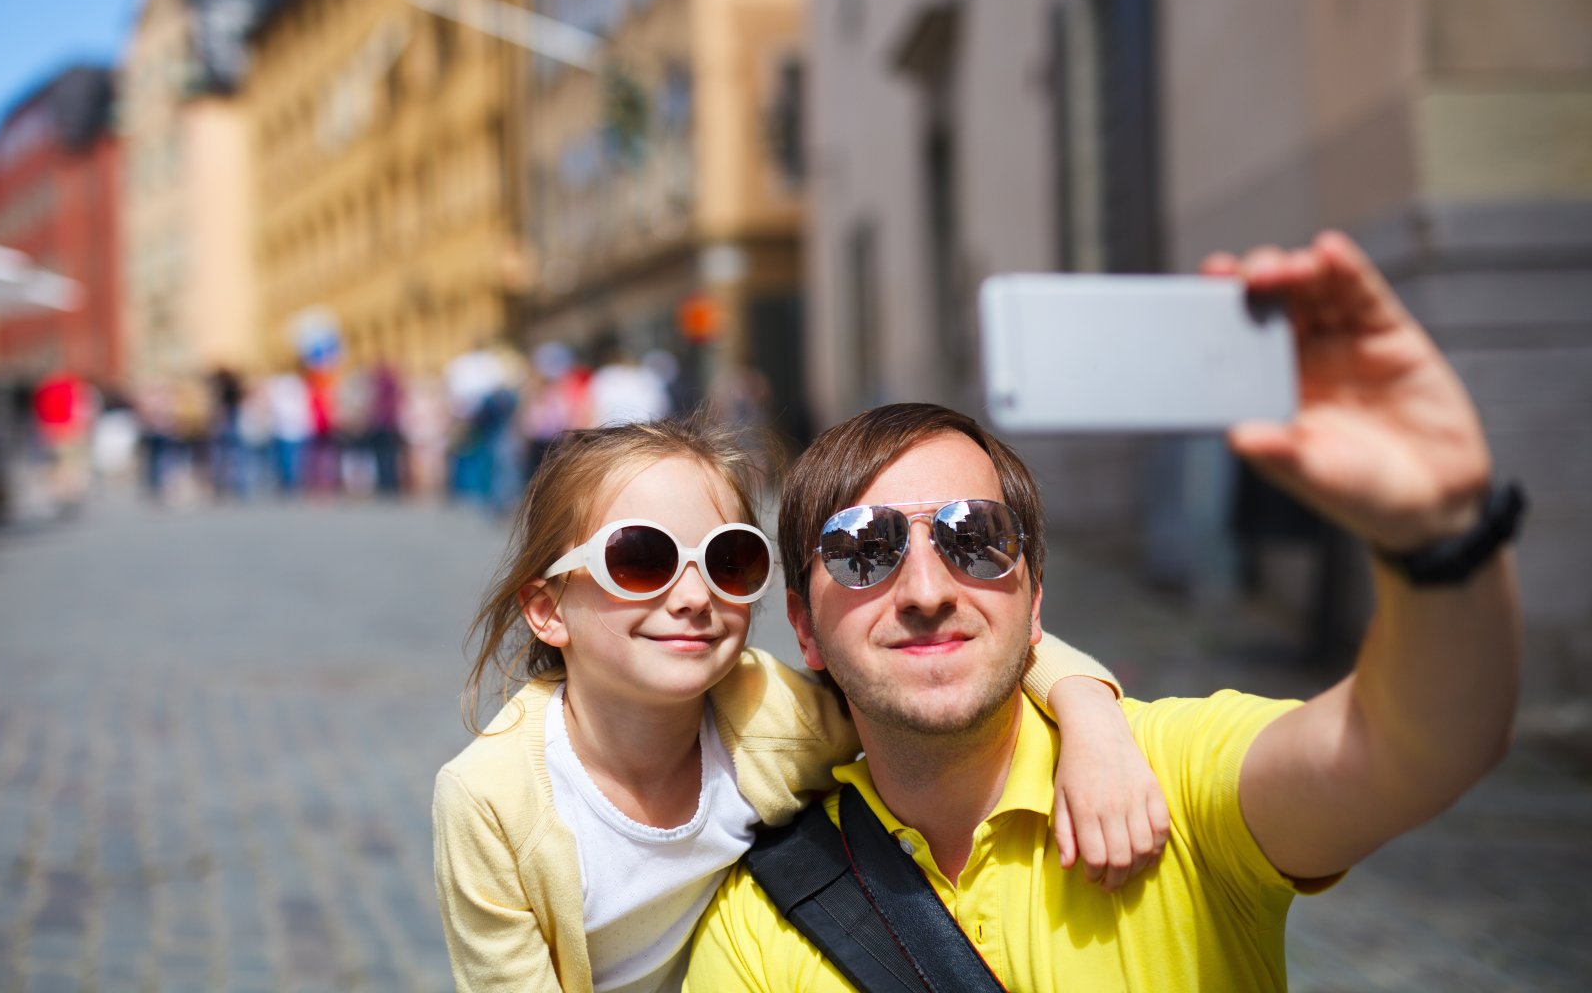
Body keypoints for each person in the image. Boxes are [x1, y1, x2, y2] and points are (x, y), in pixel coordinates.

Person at [684, 232, 1524, 991]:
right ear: (801, 626)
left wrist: (1442, 539)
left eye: (975, 538)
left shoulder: (1176, 784)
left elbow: (1411, 750)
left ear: (1036, 595)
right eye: (863, 549)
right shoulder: (762, 919)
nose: (928, 590)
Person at [432, 418, 1171, 993]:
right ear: (547, 609)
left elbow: (969, 661)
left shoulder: (771, 715)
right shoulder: (492, 801)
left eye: (728, 561)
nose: (693, 597)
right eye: (642, 560)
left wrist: (1093, 721)